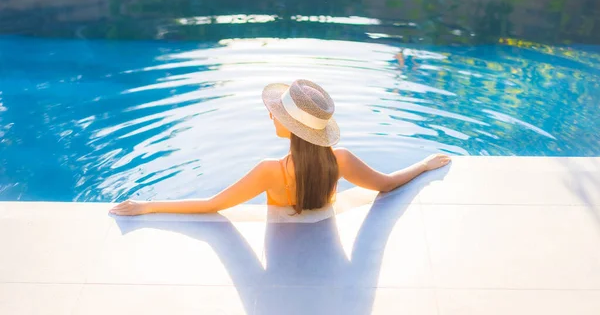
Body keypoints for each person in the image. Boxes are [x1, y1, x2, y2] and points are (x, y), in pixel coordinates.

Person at [110, 79, 451, 216]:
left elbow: (213, 205)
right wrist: (422, 165)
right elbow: (388, 184)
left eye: (275, 113)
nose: (269, 116)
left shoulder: (269, 171)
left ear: (291, 126)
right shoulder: (340, 161)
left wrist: (147, 206)